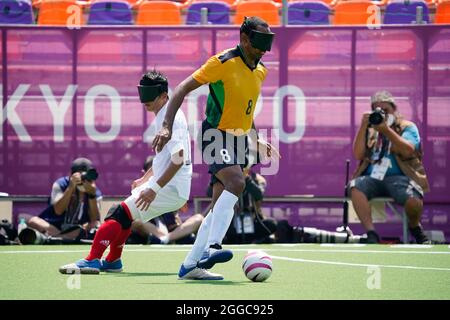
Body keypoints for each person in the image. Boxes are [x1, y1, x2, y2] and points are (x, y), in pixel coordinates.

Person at [59, 70, 222, 279]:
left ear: (164, 96)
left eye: (150, 94)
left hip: (170, 188)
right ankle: (113, 261)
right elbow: (165, 157)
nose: (145, 100)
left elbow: (178, 159)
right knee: (127, 217)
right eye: (143, 93)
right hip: (169, 185)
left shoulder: (170, 119)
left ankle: (92, 259)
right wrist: (145, 179)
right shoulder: (164, 115)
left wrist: (153, 189)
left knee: (118, 214)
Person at [152, 16, 280, 280]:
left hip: (238, 138)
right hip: (214, 134)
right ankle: (213, 247)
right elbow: (181, 89)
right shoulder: (221, 63)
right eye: (259, 43)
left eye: (268, 44)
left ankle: (190, 266)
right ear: (244, 39)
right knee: (237, 182)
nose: (264, 49)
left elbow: (245, 111)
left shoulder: (260, 70)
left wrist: (256, 138)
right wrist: (166, 125)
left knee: (219, 204)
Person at [349, 90, 430, 244]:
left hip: (401, 178)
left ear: (394, 109)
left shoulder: (407, 127)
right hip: (373, 178)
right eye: (377, 110)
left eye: (385, 110)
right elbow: (358, 154)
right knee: (355, 187)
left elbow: (408, 150)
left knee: (414, 201)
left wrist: (386, 130)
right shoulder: (371, 129)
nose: (382, 114)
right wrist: (363, 126)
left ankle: (414, 227)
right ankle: (371, 233)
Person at [129, 156, 204, 245]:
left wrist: (176, 222)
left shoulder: (170, 190)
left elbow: (176, 220)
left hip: (170, 231)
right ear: (144, 173)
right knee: (135, 221)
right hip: (151, 229)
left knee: (199, 218)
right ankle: (164, 238)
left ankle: (166, 239)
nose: (155, 175)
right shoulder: (140, 191)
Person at [26, 157, 102, 241]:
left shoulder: (94, 190)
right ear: (71, 174)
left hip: (77, 229)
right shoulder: (61, 184)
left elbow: (94, 219)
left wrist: (92, 195)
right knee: (33, 221)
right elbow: (58, 210)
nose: (84, 179)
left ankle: (56, 238)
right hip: (55, 226)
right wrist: (70, 187)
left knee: (96, 224)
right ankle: (64, 238)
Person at [222, 168, 277, 244]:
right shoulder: (226, 177)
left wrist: (246, 179)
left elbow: (259, 195)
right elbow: (209, 192)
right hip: (232, 219)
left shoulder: (258, 179)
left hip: (253, 219)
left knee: (272, 224)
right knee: (221, 228)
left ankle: (254, 242)